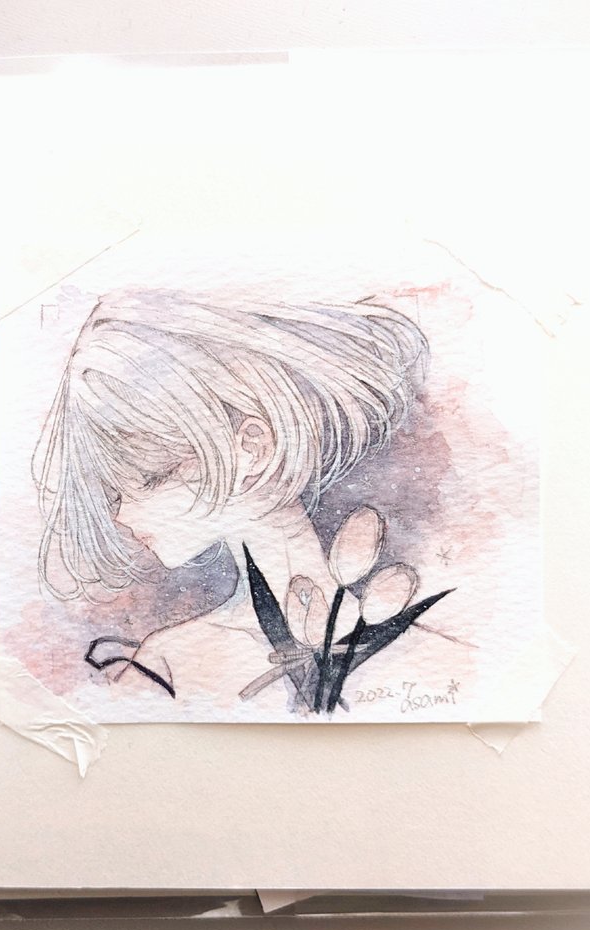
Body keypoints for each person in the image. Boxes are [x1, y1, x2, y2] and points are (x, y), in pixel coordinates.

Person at [34, 288, 438, 710]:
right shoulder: (168, 662)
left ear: (251, 449)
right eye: (113, 492)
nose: (120, 515)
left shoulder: (424, 656)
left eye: (148, 480)